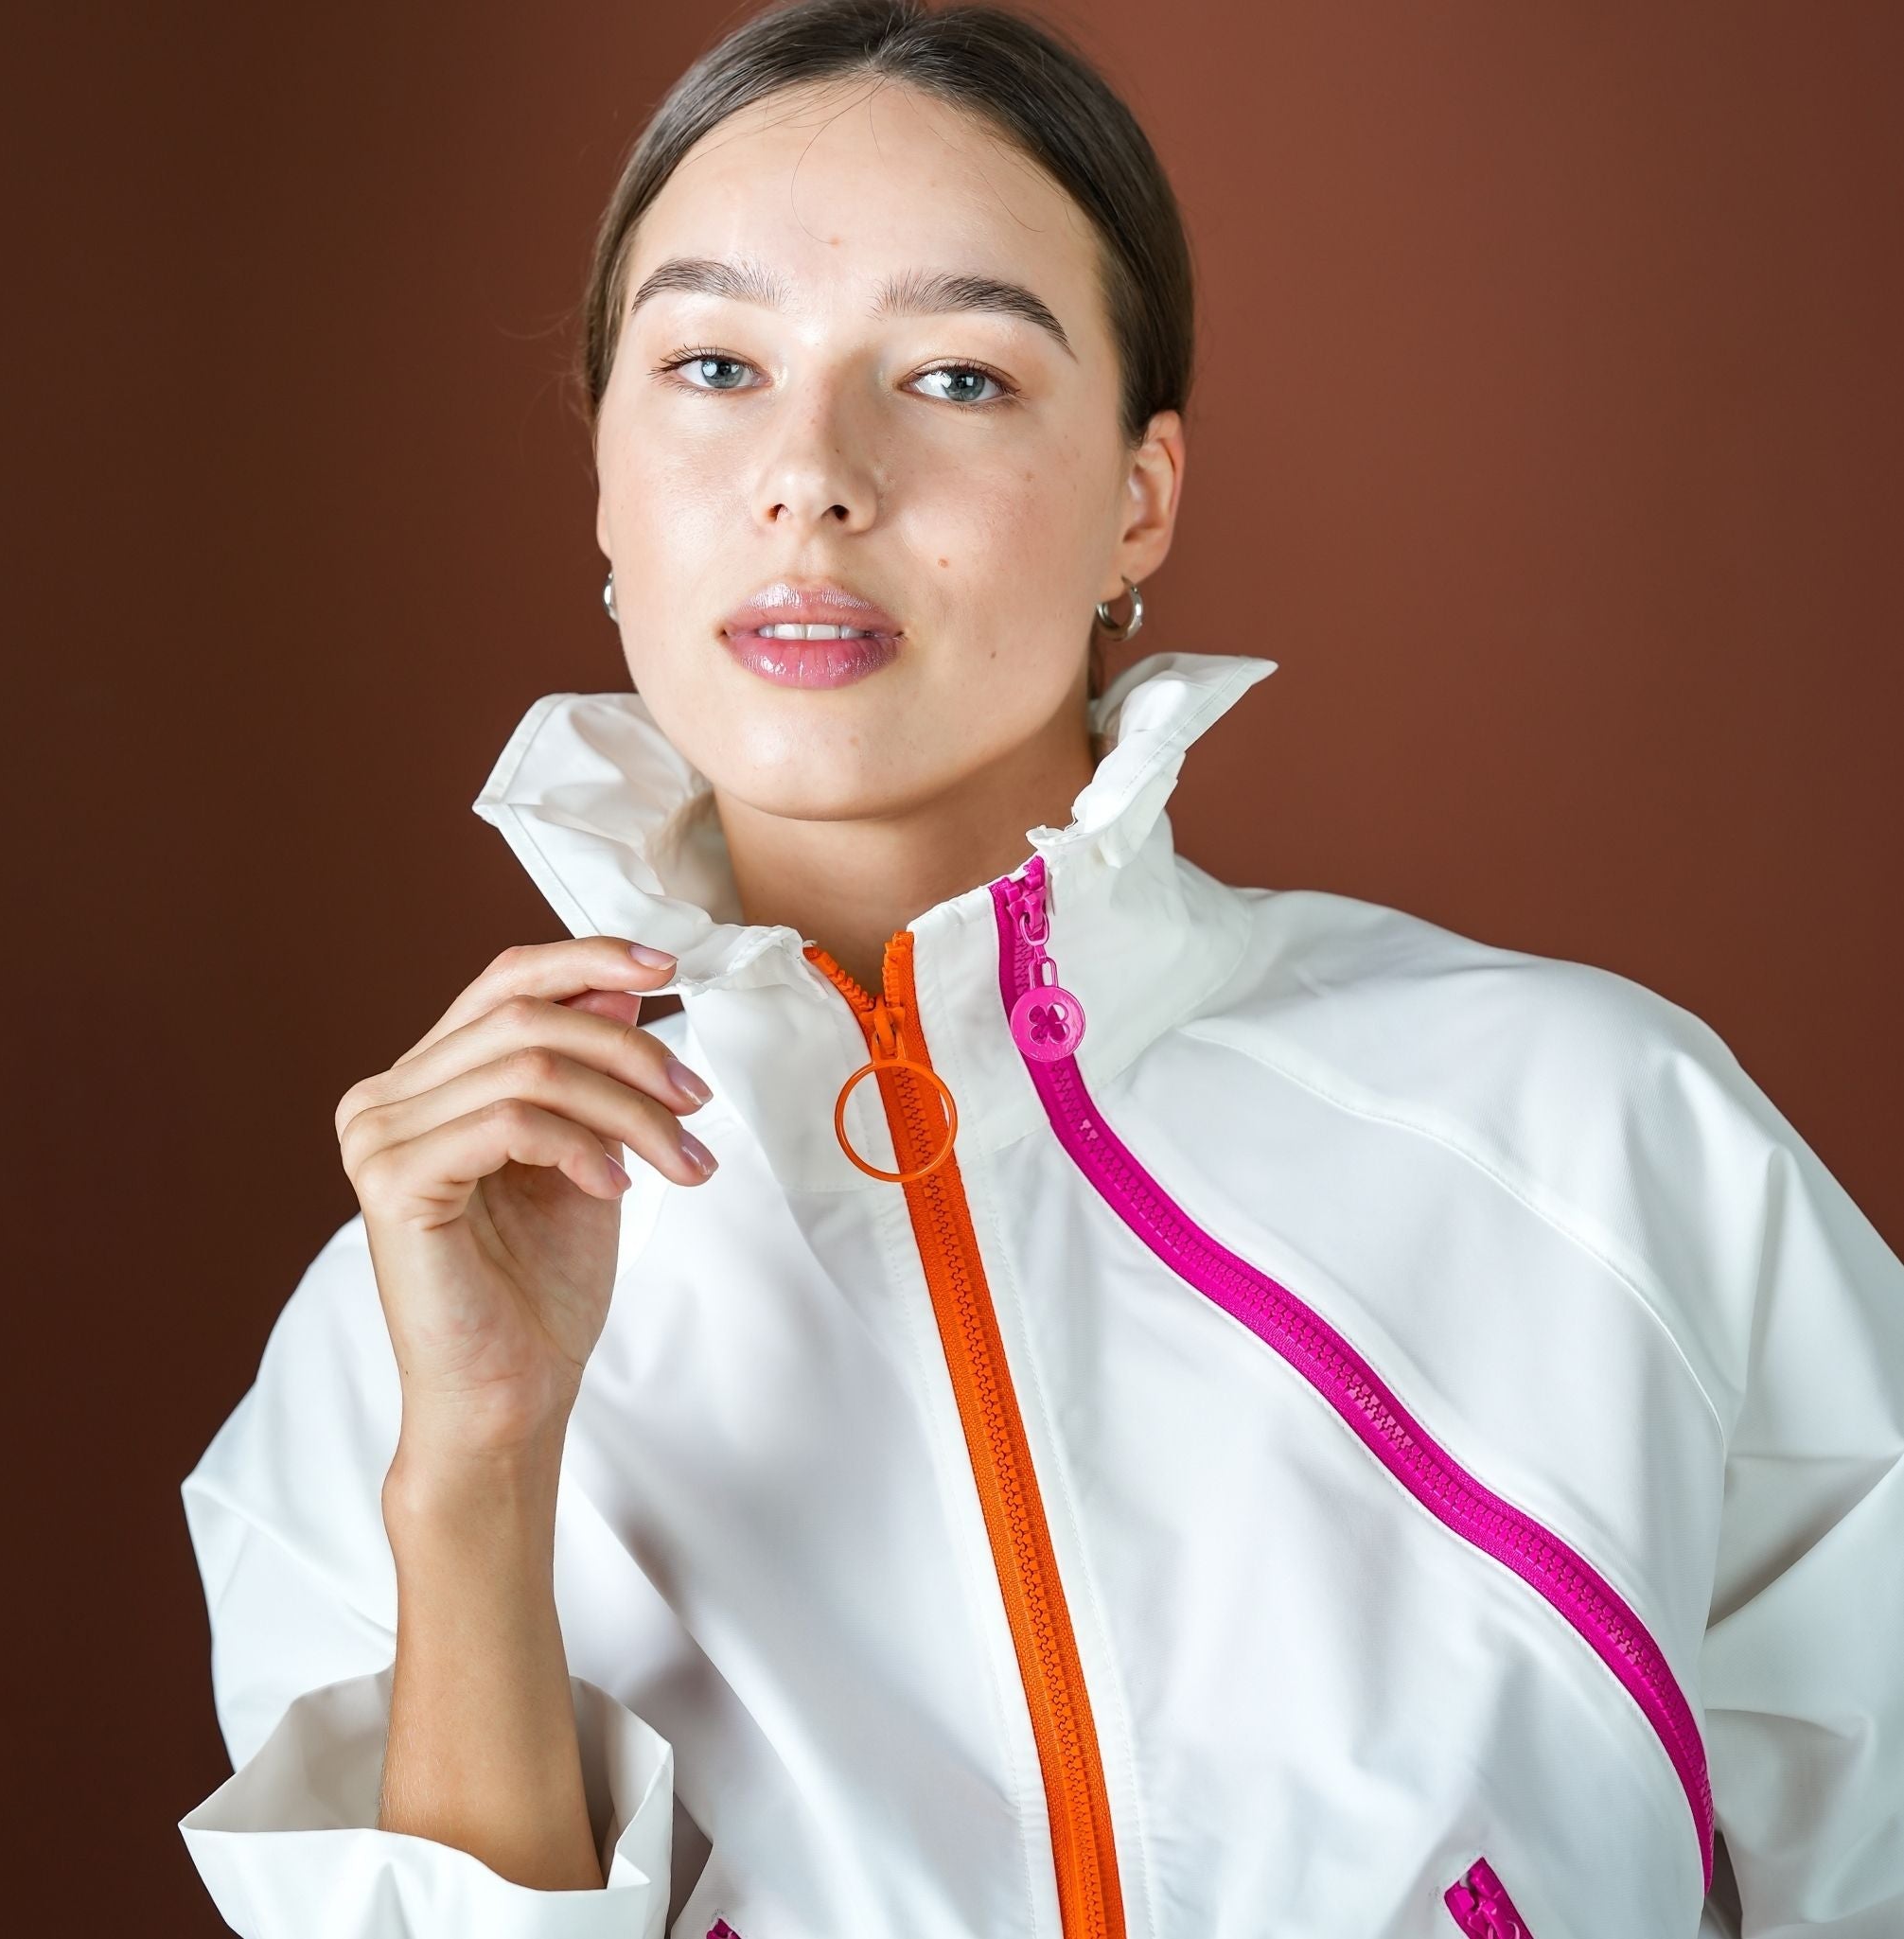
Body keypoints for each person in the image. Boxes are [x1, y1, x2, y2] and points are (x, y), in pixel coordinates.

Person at [174, 4, 1904, 1935]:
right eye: (715, 363)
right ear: (601, 480)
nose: (810, 475)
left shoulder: (1606, 1146)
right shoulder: (392, 1342)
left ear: (1137, 499)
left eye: (956, 376)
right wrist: (474, 1475)